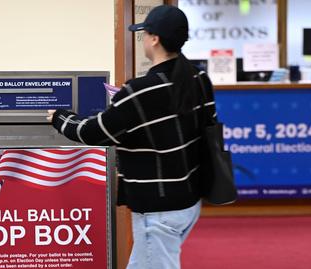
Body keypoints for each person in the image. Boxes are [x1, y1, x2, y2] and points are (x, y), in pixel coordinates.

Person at [47, 5, 216, 269]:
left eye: (144, 34)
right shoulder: (199, 78)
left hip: (159, 210)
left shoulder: (140, 91)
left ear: (154, 38)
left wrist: (59, 118)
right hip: (188, 202)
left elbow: (94, 133)